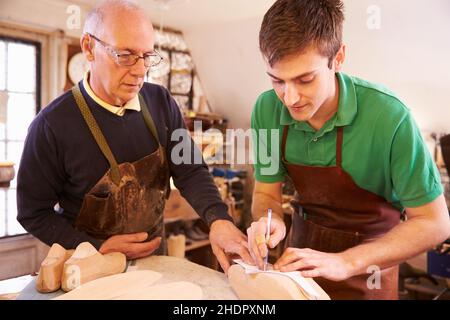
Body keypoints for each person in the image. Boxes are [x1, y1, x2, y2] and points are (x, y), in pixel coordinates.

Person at [17, 0, 251, 272]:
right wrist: (94, 246)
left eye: (147, 56)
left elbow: (189, 170)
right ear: (89, 48)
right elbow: (33, 212)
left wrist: (218, 219)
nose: (140, 70)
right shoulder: (51, 125)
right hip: (89, 266)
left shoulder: (160, 102)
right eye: (125, 55)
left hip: (156, 260)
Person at [247, 0, 450, 299]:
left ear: (338, 57)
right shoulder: (266, 109)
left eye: (305, 79)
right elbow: (266, 194)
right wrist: (270, 220)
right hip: (299, 269)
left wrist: (347, 261)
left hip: (369, 274)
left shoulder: (389, 117)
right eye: (277, 80)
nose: (289, 98)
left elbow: (435, 224)